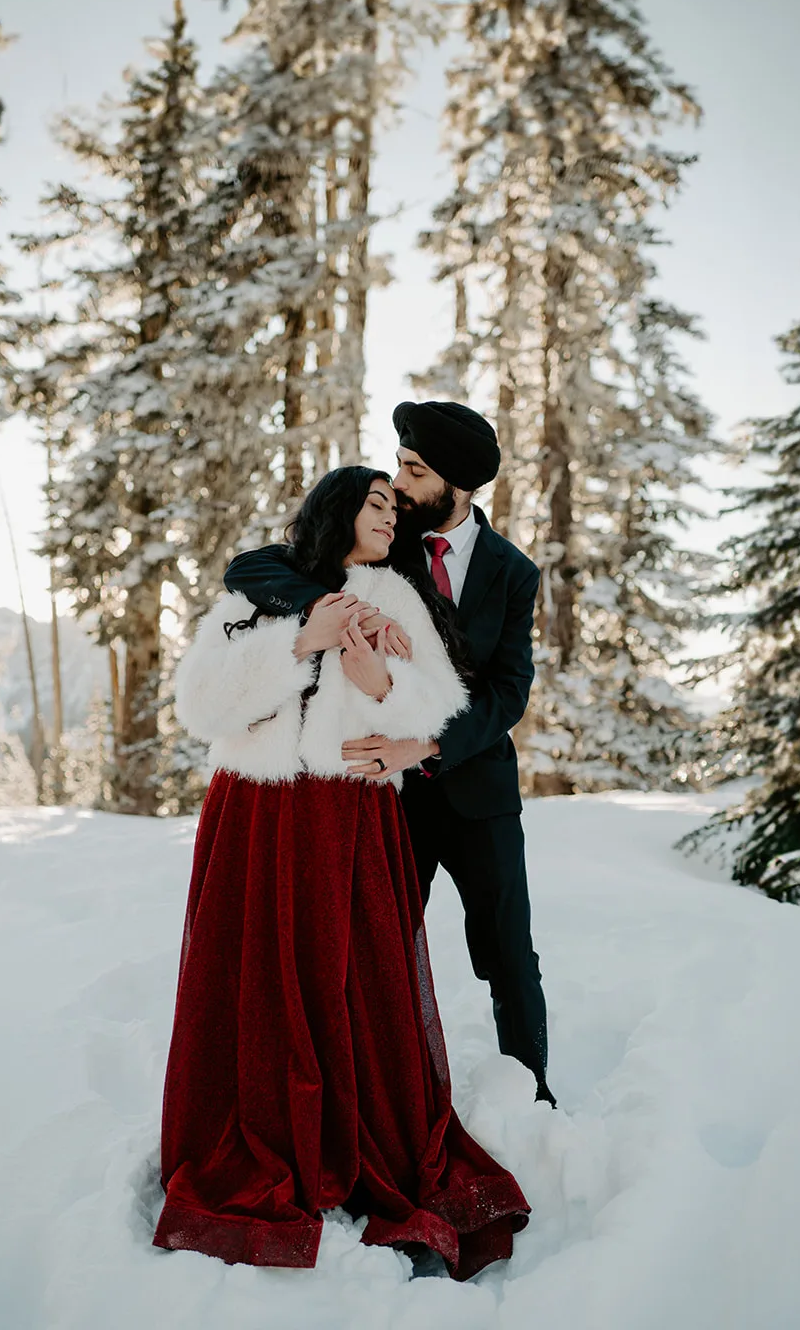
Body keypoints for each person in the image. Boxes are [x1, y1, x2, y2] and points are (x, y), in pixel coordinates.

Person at [153, 467, 530, 1280]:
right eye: (377, 502)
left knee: (346, 981)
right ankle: (263, 1131)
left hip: (346, 818)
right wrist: (300, 644)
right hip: (254, 812)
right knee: (254, 977)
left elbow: (439, 704)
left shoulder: (394, 601)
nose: (390, 516)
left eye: (396, 505)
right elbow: (201, 705)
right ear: (338, 511)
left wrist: (379, 682)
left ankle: (348, 1136)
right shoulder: (263, 593)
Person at [225, 401, 556, 1107]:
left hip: (475, 791)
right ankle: (372, 1100)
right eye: (400, 465)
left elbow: (507, 694)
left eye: (415, 469)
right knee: (372, 951)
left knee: (509, 955)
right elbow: (254, 567)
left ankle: (534, 1099)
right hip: (382, 797)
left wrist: (426, 744)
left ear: (457, 486)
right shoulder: (386, 537)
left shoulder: (513, 574)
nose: (399, 483)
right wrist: (352, 610)